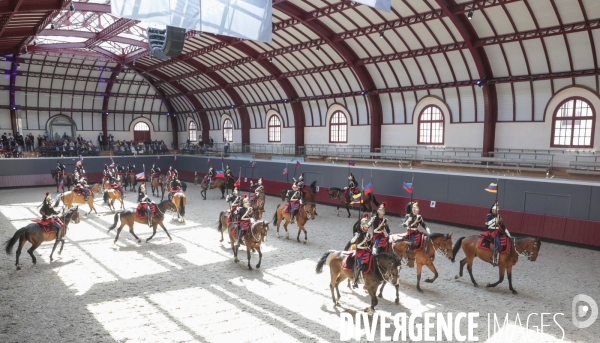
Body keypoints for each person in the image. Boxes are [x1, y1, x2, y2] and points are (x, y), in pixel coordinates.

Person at [486, 202, 511, 267]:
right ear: (493, 210)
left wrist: (507, 233)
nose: (497, 211)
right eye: (496, 210)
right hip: (492, 232)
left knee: (506, 239)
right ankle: (493, 259)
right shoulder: (489, 216)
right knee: (498, 245)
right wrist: (494, 220)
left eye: (497, 210)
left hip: (498, 231)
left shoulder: (499, 216)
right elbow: (486, 223)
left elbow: (503, 225)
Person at [350, 214, 371, 288]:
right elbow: (352, 241)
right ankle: (354, 281)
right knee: (360, 265)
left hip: (367, 251)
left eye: (367, 227)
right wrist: (355, 236)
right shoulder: (358, 234)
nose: (367, 228)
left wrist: (371, 243)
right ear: (362, 227)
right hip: (359, 252)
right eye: (365, 227)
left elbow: (369, 244)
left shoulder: (368, 235)